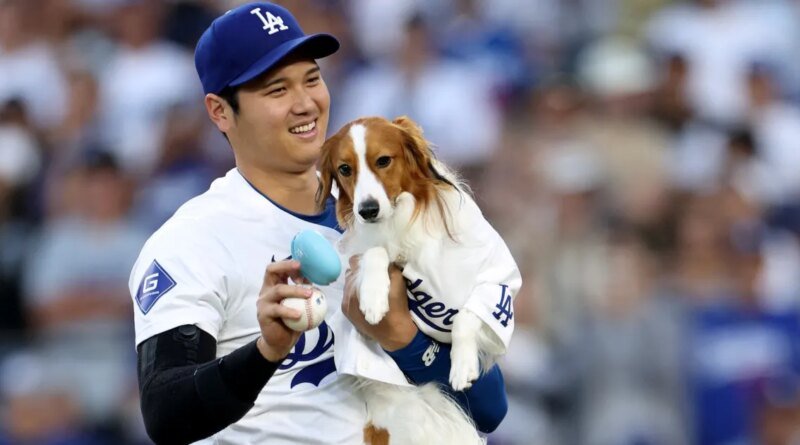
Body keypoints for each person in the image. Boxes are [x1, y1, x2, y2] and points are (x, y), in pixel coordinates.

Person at [128, 3, 508, 444]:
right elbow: (166, 414)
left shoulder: (399, 212)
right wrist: (266, 351)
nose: (305, 102)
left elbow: (489, 406)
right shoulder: (193, 240)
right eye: (277, 90)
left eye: (312, 78)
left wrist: (402, 335)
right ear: (219, 111)